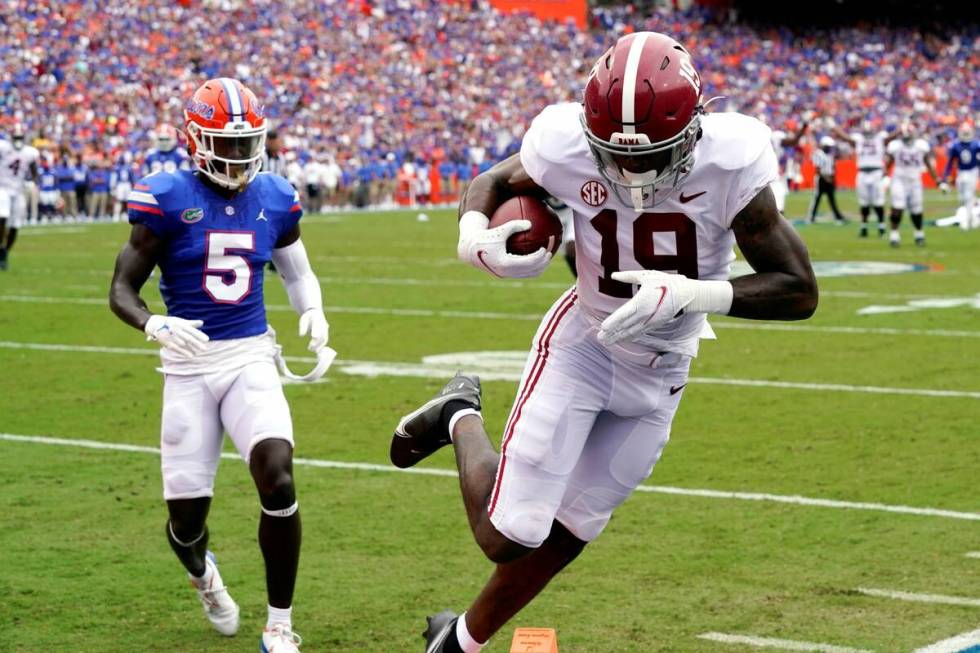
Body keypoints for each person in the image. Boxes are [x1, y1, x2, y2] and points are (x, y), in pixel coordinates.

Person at [390, 32, 817, 653]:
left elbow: (799, 290)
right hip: (585, 344)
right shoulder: (562, 140)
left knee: (572, 530)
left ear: (697, 128)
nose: (632, 170)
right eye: (612, 154)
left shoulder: (733, 157)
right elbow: (492, 179)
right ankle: (459, 413)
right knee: (506, 535)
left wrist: (694, 294)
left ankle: (459, 642)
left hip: (666, 366)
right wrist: (474, 232)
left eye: (652, 154)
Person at [109, 78, 330, 653]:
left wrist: (314, 313)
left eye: (246, 143)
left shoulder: (275, 195)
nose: (239, 156)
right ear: (195, 140)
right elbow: (122, 289)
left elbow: (296, 270)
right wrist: (153, 323)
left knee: (277, 469)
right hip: (186, 366)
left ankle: (279, 623)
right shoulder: (164, 196)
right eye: (226, 145)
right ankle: (204, 575)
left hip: (249, 354)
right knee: (186, 525)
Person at [832, 120, 895, 236]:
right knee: (864, 202)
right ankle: (864, 226)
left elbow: (890, 138)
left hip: (876, 173)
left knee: (878, 201)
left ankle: (881, 225)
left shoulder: (880, 139)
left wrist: (901, 130)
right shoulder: (859, 140)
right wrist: (836, 128)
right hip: (862, 173)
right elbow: (846, 138)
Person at [886, 121, 940, 247]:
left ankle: (919, 234)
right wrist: (885, 176)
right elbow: (888, 163)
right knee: (897, 208)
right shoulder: (895, 146)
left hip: (915, 180)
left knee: (917, 210)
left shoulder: (920, 145)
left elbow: (928, 163)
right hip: (899, 179)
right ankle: (894, 235)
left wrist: (937, 180)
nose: (907, 140)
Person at [0, 124, 40, 270]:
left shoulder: (30, 152)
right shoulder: (3, 147)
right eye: (15, 137)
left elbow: (34, 171)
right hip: (2, 187)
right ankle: (0, 246)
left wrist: (36, 183)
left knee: (15, 225)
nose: (18, 140)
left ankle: (4, 252)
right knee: (2, 216)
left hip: (18, 190)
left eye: (20, 137)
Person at [939, 123, 979, 230]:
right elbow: (949, 163)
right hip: (961, 172)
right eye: (964, 132)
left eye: (967, 132)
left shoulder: (976, 145)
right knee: (962, 198)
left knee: (968, 197)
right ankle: (972, 219)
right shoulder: (956, 146)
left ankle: (967, 221)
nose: (966, 135)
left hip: (972, 172)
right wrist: (944, 178)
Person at [807, 136, 847, 223]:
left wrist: (832, 178)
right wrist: (826, 178)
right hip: (822, 179)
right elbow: (818, 169)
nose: (829, 148)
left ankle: (837, 216)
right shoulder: (819, 154)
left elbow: (832, 167)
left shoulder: (829, 154)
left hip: (829, 178)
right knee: (817, 198)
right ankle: (811, 217)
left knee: (832, 198)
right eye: (828, 146)